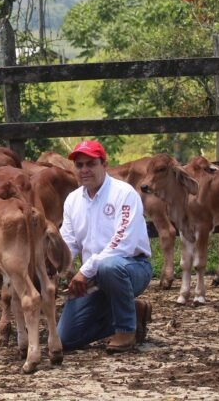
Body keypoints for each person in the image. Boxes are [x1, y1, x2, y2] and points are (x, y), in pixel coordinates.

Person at [57, 140, 153, 353]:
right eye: (79, 165)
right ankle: (131, 312)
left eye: (90, 164)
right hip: (92, 277)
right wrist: (55, 266)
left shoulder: (124, 194)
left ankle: (126, 331)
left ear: (104, 164)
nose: (84, 170)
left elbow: (123, 243)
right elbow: (68, 241)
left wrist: (84, 271)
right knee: (65, 339)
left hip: (131, 267)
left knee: (109, 266)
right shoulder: (72, 200)